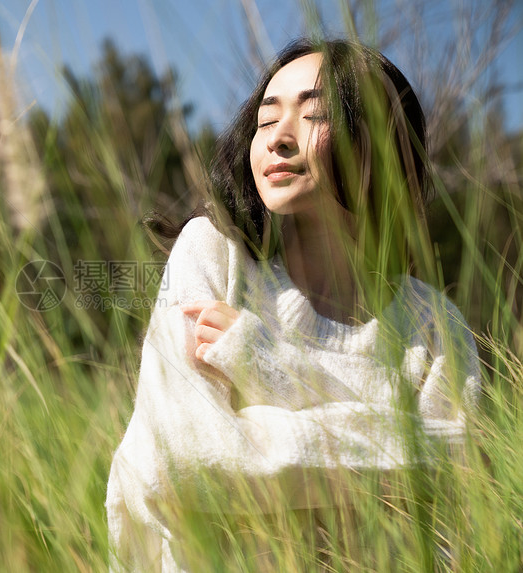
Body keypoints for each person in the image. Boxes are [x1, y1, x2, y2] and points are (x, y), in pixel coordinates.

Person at [105, 38, 481, 572]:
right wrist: (400, 456)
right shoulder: (214, 256)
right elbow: (190, 467)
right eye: (265, 119)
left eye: (315, 115)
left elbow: (463, 482)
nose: (278, 138)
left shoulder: (433, 324)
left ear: (378, 142)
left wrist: (272, 370)